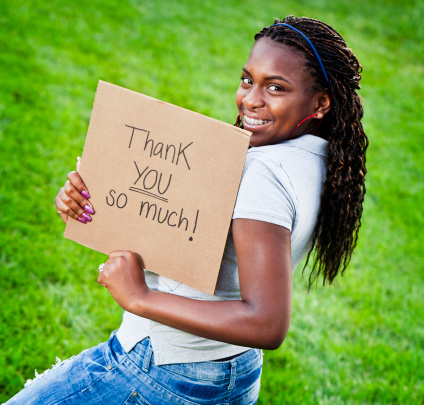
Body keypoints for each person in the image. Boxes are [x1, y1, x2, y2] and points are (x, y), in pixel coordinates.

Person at [5, 15, 368, 405]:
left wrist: (140, 297)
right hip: (235, 370)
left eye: (276, 87)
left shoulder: (264, 172)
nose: (250, 99)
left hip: (161, 369)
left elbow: (267, 322)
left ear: (321, 102)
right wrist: (92, 208)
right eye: (248, 79)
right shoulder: (318, 159)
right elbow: (189, 237)